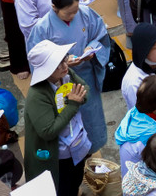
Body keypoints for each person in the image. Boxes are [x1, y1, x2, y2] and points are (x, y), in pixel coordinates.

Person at [27, 0, 112, 156]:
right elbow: (37, 59)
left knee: (91, 117)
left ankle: (92, 155)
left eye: (75, 11)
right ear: (54, 8)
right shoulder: (42, 28)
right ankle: (75, 156)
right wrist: (62, 62)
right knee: (68, 122)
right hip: (60, 81)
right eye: (68, 13)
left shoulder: (86, 13)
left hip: (86, 73)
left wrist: (92, 48)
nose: (73, 16)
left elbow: (100, 35)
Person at [23, 39, 92, 196]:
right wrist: (73, 104)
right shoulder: (37, 95)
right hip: (58, 158)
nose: (64, 66)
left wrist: (78, 97)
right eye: (57, 64)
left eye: (64, 60)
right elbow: (48, 131)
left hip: (76, 148)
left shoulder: (66, 75)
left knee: (75, 182)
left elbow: (85, 90)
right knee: (62, 189)